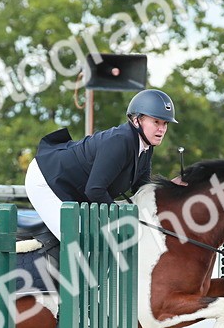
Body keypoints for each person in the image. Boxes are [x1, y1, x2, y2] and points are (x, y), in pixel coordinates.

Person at [24, 88, 178, 240]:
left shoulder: (145, 147)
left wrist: (172, 192)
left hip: (73, 189)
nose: (162, 129)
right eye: (156, 122)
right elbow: (94, 190)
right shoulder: (119, 142)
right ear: (137, 120)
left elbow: (142, 190)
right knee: (81, 244)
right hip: (47, 180)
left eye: (165, 124)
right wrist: (121, 219)